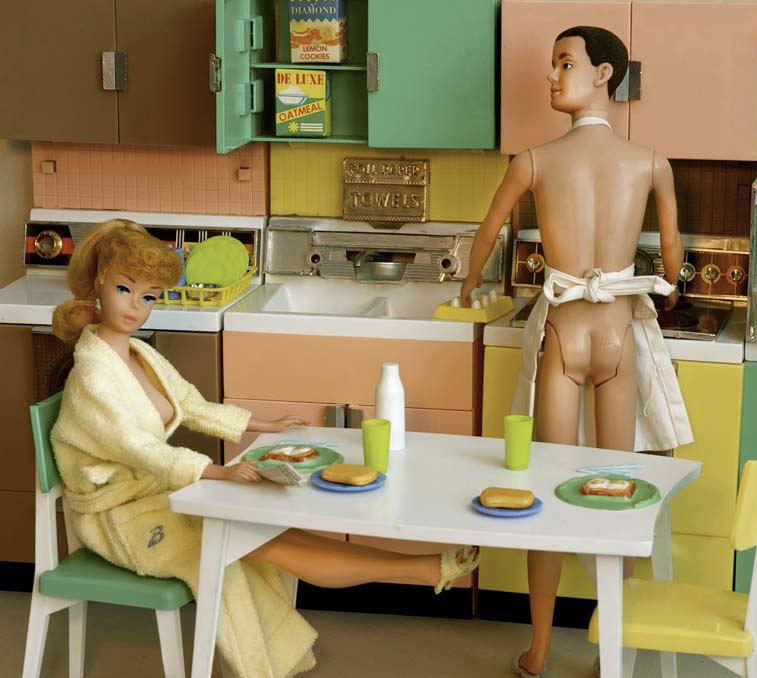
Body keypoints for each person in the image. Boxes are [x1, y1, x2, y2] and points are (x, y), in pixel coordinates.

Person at [50, 219, 480, 678]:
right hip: (117, 519)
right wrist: (219, 473)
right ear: (98, 284)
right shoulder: (92, 374)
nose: (136, 306)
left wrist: (262, 424)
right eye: (124, 289)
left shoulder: (138, 354)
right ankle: (417, 571)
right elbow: (140, 449)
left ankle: (419, 569)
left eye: (149, 296)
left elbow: (190, 404)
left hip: (156, 496)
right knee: (245, 541)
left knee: (261, 528)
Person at [460, 26, 694, 677]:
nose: (552, 75)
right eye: (553, 64)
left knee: (546, 490)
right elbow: (672, 252)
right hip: (616, 334)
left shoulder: (533, 161)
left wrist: (468, 284)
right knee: (614, 494)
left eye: (565, 63)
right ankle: (612, 650)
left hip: (564, 336)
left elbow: (488, 232)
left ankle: (539, 648)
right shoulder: (650, 162)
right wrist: (670, 289)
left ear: (604, 74)